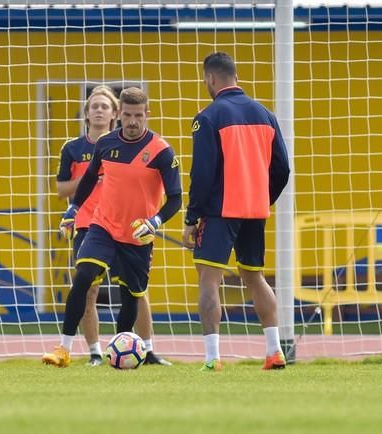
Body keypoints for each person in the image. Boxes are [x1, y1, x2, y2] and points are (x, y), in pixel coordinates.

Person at [43, 87, 182, 367]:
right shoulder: (106, 143)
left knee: (131, 294)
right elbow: (89, 179)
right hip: (102, 226)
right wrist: (73, 209)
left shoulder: (161, 151)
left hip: (137, 234)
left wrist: (154, 222)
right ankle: (64, 349)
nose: (132, 122)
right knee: (83, 277)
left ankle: (122, 350)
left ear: (147, 115)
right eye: (127, 115)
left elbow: (176, 198)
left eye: (138, 116)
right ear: (120, 115)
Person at [182, 52, 291, 371]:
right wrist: (262, 197)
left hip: (219, 212)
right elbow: (283, 168)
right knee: (255, 277)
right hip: (255, 211)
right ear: (235, 76)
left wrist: (191, 217)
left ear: (211, 79)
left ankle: (212, 358)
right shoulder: (266, 115)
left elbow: (201, 173)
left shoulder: (208, 116)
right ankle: (274, 351)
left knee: (209, 280)